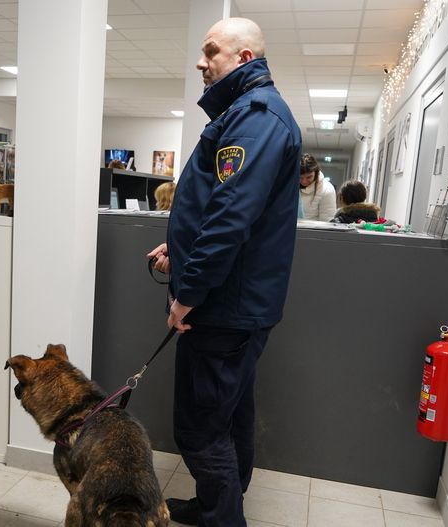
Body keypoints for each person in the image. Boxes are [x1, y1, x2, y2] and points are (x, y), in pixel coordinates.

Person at [145, 18, 301, 526]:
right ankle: (216, 507)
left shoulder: (256, 118)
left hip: (223, 308)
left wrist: (186, 294)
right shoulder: (245, 113)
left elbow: (230, 217)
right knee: (228, 417)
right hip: (234, 301)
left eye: (211, 51)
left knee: (200, 428)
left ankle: (223, 518)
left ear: (244, 57)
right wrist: (180, 247)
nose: (201, 61)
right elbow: (222, 209)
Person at [299, 153, 337, 221]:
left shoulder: (327, 189)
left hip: (315, 228)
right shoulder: (290, 186)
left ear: (316, 173)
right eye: (300, 177)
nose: (304, 181)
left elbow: (327, 220)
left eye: (309, 177)